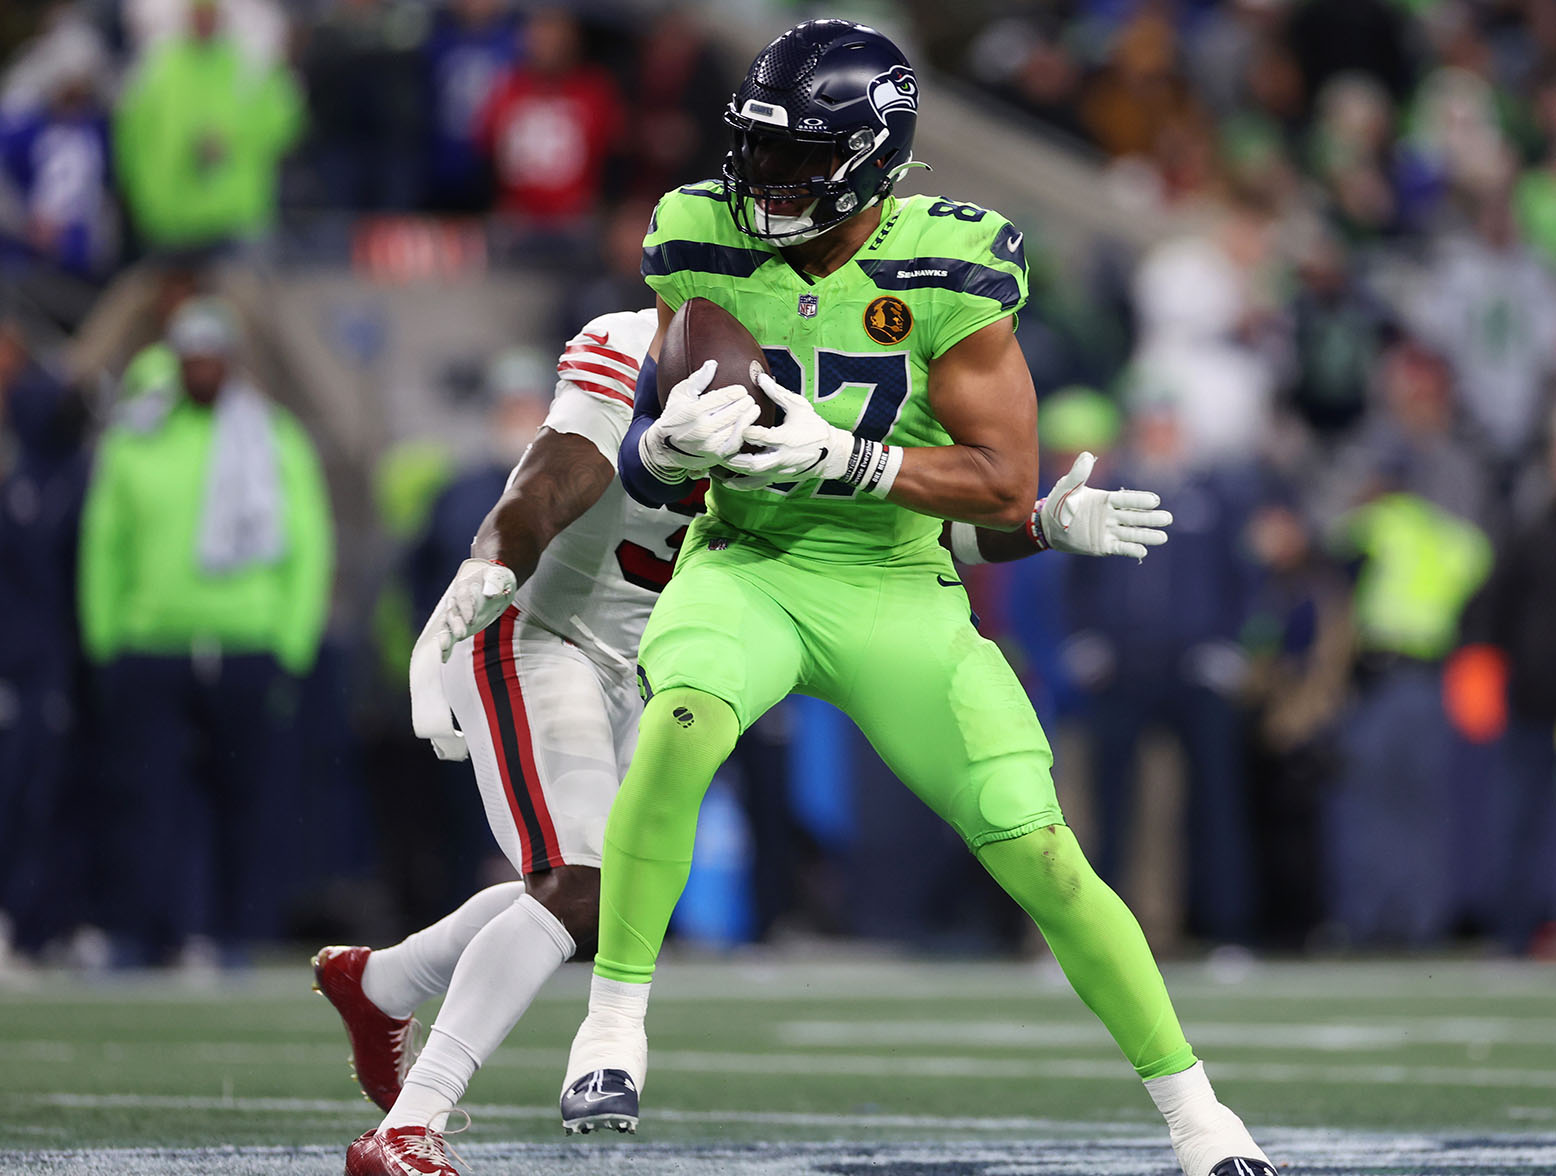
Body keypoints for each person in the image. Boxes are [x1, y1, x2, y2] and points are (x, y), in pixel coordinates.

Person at [558, 22, 1274, 1176]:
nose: (762, 185)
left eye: (798, 163)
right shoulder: (695, 237)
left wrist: (868, 466)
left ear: (873, 162)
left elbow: (998, 487)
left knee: (1037, 849)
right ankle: (611, 1021)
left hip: (893, 579)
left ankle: (1198, 1113)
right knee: (681, 718)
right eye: (758, 153)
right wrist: (667, 443)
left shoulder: (951, 267)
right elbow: (653, 455)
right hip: (749, 561)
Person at [311, 303, 1173, 1175]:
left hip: (656, 652)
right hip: (542, 632)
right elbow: (549, 476)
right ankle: (408, 1124)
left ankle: (381, 985)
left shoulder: (829, 355)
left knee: (599, 888)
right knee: (579, 885)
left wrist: (1038, 527)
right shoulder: (626, 342)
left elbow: (890, 520)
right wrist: (525, 538)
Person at [77, 297, 333, 964]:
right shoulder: (138, 438)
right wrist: (107, 642)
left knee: (246, 801)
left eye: (212, 356)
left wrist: (290, 646)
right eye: (191, 357)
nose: (202, 368)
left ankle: (236, 937)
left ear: (231, 360)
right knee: (144, 801)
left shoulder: (273, 437)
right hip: (152, 645)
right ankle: (141, 935)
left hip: (246, 643)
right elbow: (107, 543)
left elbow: (308, 546)